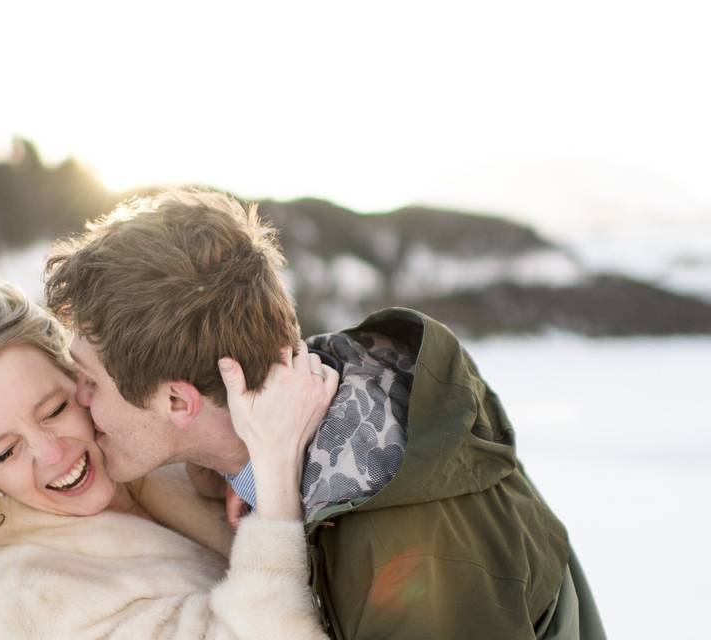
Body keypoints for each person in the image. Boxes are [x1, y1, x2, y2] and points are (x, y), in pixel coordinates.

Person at [44, 190, 607, 639]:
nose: (78, 398)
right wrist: (234, 475)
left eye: (90, 381)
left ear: (177, 402)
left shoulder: (411, 548)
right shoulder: (308, 452)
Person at [0, 282, 338, 640]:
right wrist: (276, 478)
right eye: (5, 453)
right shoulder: (25, 601)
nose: (52, 453)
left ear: (82, 381)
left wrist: (230, 466)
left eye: (54, 411)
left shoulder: (153, 458)